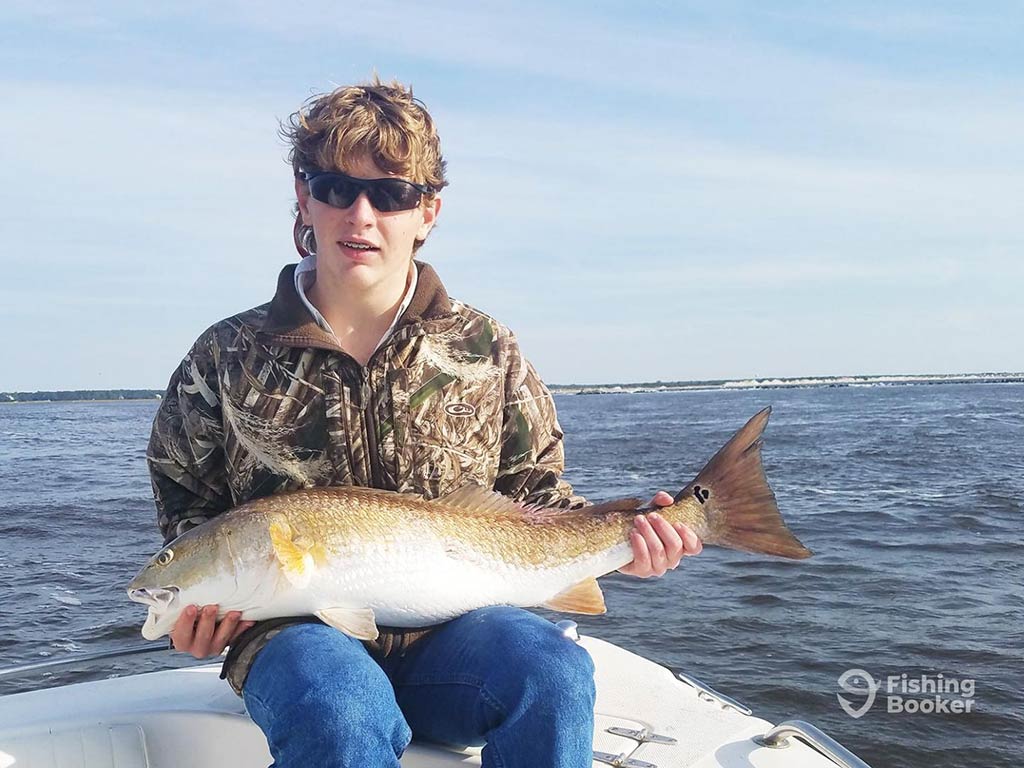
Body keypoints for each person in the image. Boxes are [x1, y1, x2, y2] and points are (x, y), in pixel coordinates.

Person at [146, 77, 702, 768]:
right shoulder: (225, 354)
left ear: (427, 210)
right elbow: (187, 500)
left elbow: (536, 494)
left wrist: (629, 534)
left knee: (553, 675)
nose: (361, 215)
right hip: (294, 636)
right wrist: (199, 606)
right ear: (302, 197)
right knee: (338, 710)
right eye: (335, 187)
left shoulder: (484, 345)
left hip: (461, 633)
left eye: (391, 193)